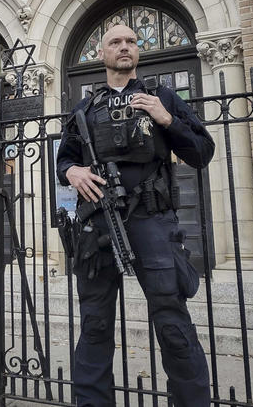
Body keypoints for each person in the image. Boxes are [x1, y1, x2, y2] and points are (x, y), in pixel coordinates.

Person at [56, 24, 214, 406]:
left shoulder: (162, 97)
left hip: (152, 222)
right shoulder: (85, 107)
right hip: (97, 225)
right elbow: (64, 161)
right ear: (102, 52)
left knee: (172, 321)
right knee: (94, 324)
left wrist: (167, 120)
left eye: (131, 41)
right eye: (115, 42)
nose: (124, 47)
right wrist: (71, 172)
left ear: (137, 51)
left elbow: (202, 152)